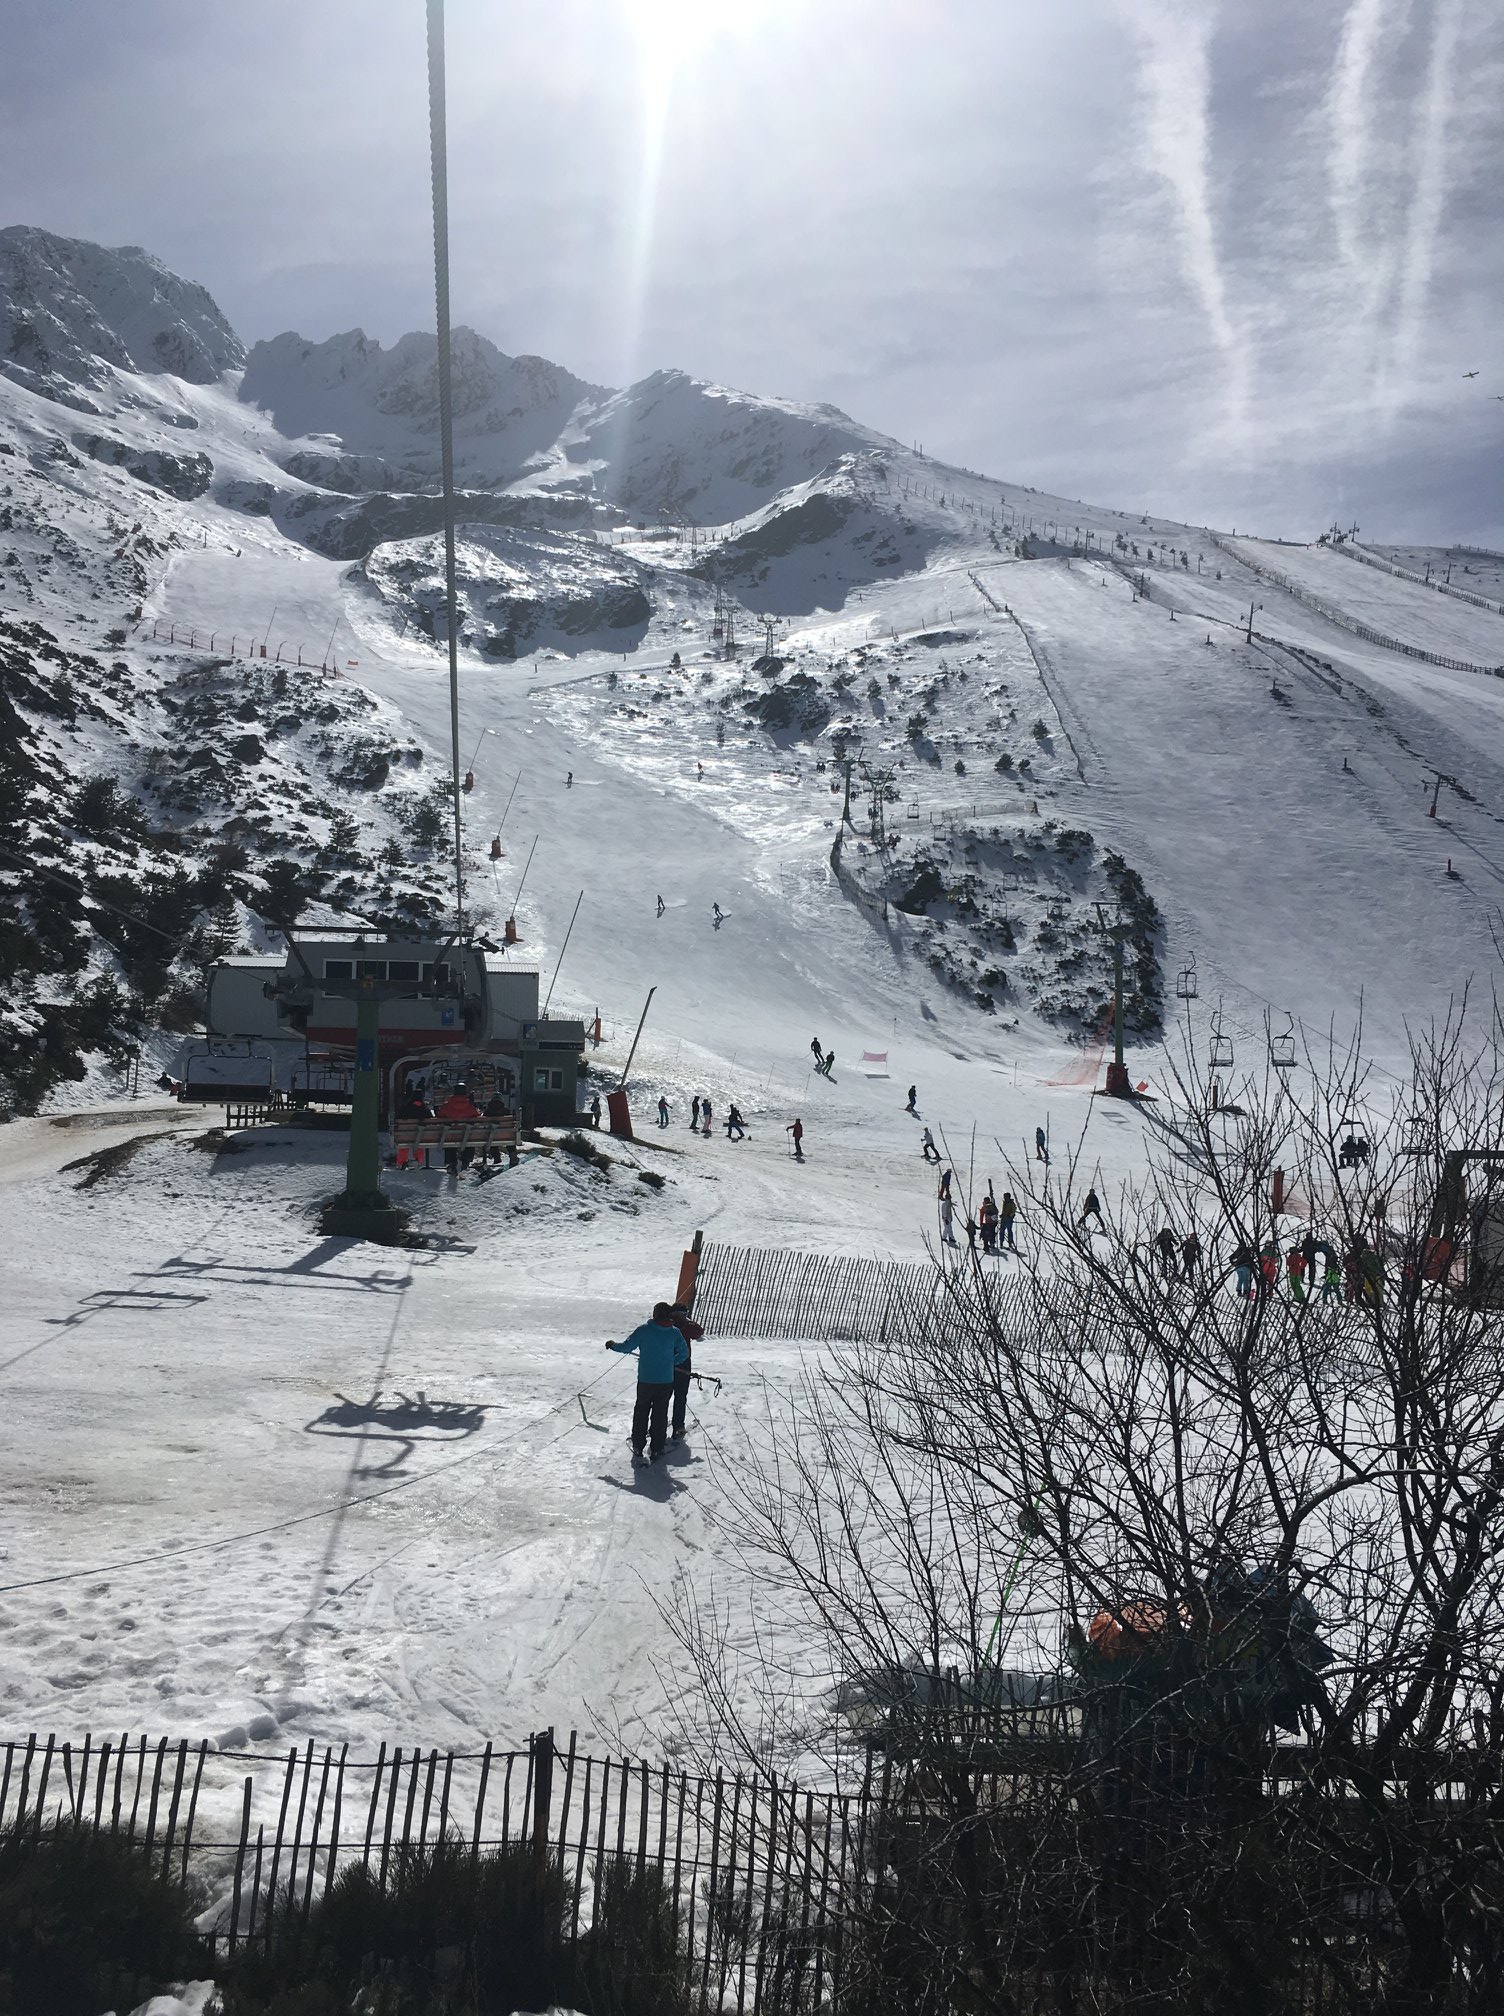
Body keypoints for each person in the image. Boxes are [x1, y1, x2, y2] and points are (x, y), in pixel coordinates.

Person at [606, 1303, 688, 1465]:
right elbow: (684, 1353)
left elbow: (626, 1346)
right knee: (660, 1414)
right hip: (665, 1380)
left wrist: (613, 1345)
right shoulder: (674, 1332)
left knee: (641, 1412)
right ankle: (657, 1447)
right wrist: (672, 1362)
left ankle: (638, 1445)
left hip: (646, 1380)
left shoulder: (643, 1330)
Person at [668, 1302, 705, 1443]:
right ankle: (677, 1425)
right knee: (679, 1396)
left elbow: (698, 1332)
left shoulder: (668, 1325)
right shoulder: (684, 1326)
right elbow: (699, 1331)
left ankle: (667, 1424)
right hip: (681, 1364)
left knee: (667, 1396)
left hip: (669, 1363)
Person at [437, 1083, 480, 1172]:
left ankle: (451, 1163)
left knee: (449, 1140)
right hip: (466, 1135)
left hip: (450, 1135)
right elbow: (477, 1117)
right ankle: (466, 1161)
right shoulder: (470, 1106)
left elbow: (439, 1117)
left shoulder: (447, 1106)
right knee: (469, 1138)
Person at [395, 1084, 430, 1170]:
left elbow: (399, 1117)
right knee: (419, 1144)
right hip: (420, 1135)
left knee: (404, 1146)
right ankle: (418, 1160)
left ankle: (401, 1162)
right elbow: (431, 1119)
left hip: (405, 1135)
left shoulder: (406, 1107)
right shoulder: (424, 1109)